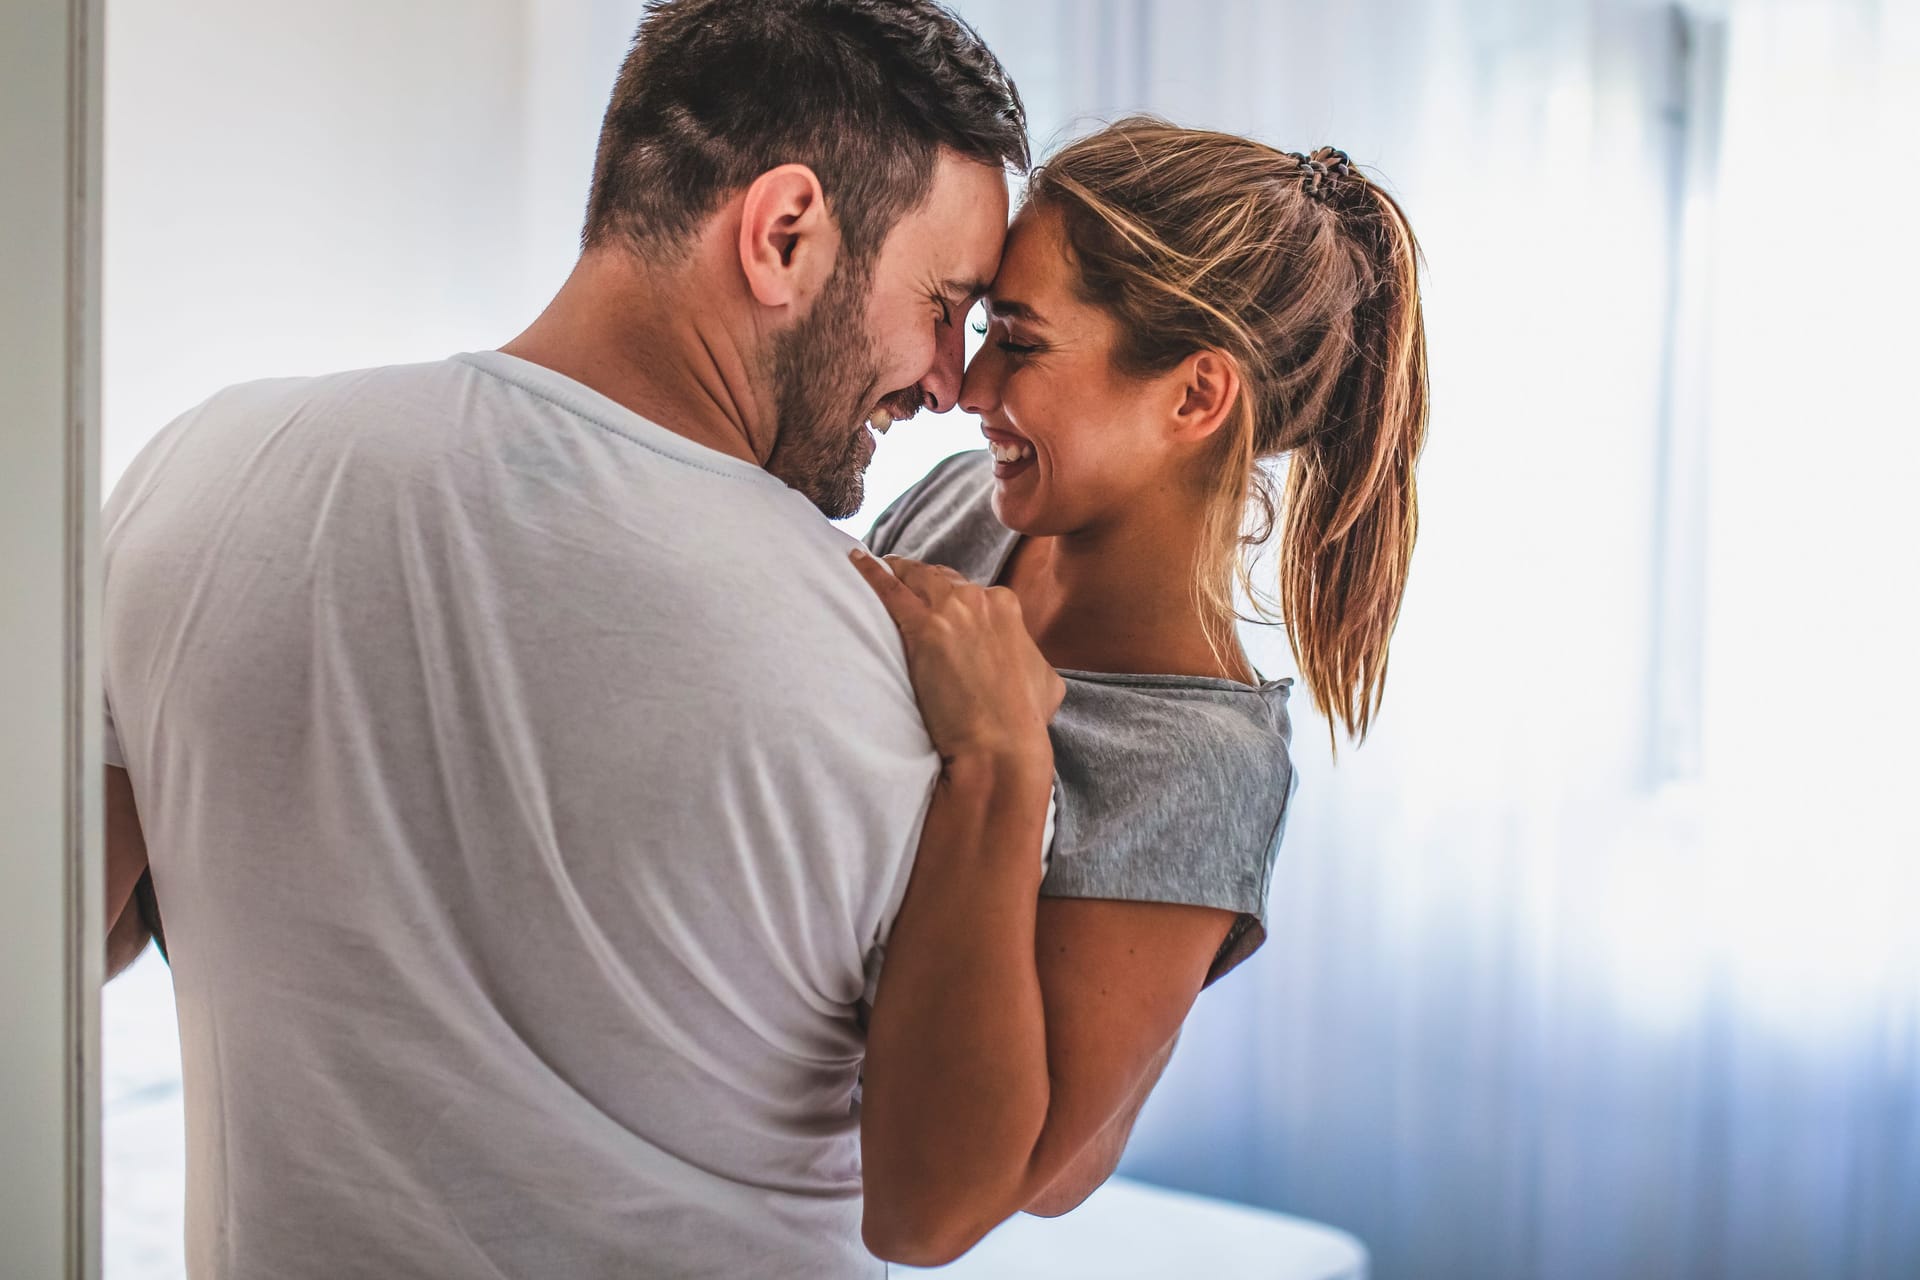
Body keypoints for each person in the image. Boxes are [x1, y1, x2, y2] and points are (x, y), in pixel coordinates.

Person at [98, 2, 1026, 1276]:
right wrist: (1008, 760)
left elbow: (55, 940)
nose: (950, 379)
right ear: (785, 233)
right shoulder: (884, 649)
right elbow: (951, 1194)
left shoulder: (197, 474)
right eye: (945, 304)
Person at [848, 118, 1429, 1264]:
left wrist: (1007, 758)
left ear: (1194, 396)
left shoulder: (1198, 762)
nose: (967, 384)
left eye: (1019, 341)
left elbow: (939, 1209)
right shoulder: (960, 510)